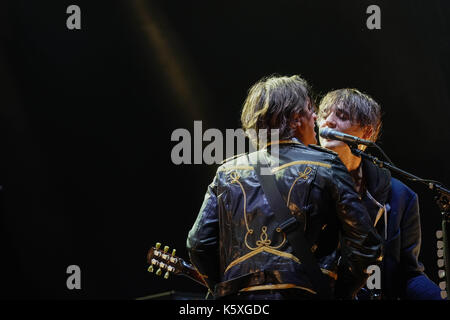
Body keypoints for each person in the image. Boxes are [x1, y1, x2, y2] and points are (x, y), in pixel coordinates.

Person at [186, 75, 382, 300]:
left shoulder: (226, 171)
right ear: (297, 118)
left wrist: (226, 289)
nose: (316, 117)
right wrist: (338, 293)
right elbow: (366, 246)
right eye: (310, 109)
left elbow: (198, 244)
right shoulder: (326, 164)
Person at [317, 88, 443, 300]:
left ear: (367, 133)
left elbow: (408, 274)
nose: (327, 122)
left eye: (342, 116)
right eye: (323, 114)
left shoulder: (401, 196)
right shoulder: (299, 183)